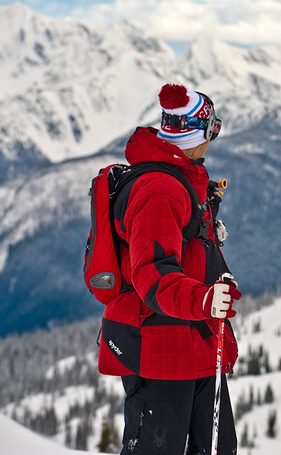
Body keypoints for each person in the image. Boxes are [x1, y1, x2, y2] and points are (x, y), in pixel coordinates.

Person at [96, 83, 241, 455]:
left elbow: (184, 255)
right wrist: (204, 299)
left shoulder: (182, 180)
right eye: (214, 129)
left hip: (192, 344)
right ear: (201, 132)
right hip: (160, 353)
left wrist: (213, 278)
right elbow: (152, 274)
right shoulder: (160, 189)